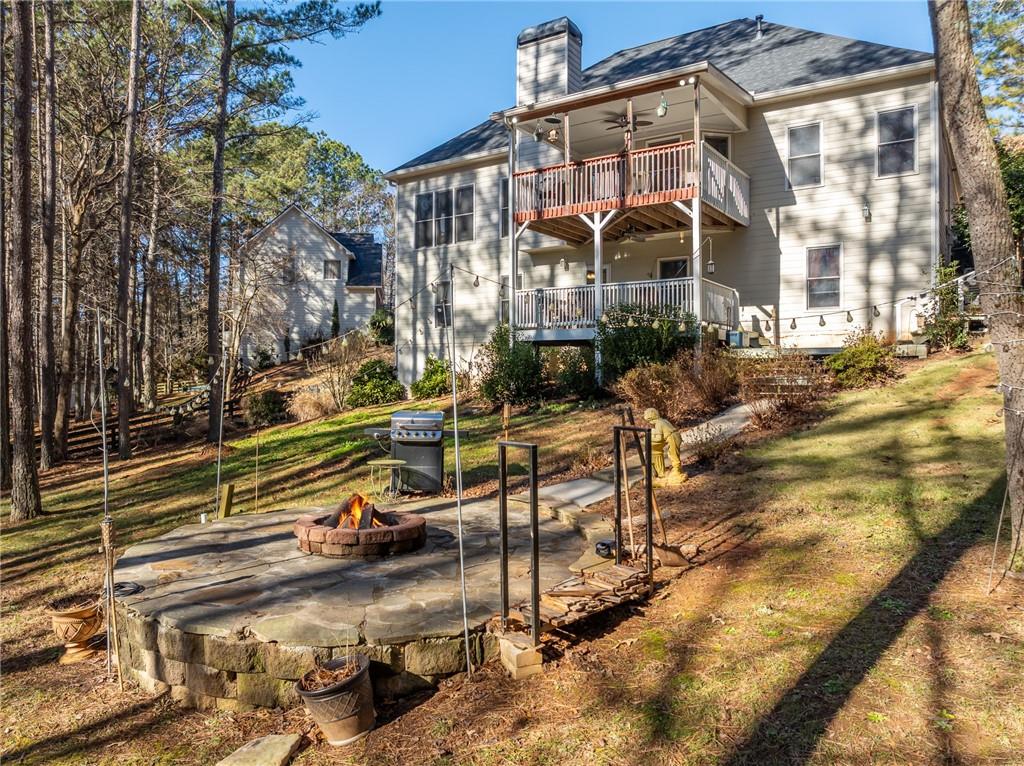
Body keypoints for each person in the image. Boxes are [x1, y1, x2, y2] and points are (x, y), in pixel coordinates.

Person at [642, 408, 687, 484]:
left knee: (673, 454)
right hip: (675, 436)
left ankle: (677, 470)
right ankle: (673, 470)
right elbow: (661, 432)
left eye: (650, 421)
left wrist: (648, 438)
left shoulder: (658, 423)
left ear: (652, 418)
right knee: (673, 453)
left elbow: (659, 438)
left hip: (672, 437)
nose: (650, 423)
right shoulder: (663, 420)